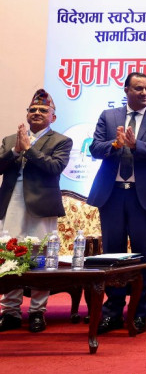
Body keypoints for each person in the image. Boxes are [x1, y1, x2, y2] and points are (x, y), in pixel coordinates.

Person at [87, 72, 146, 334]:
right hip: (112, 194)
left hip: (142, 196)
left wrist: (137, 146)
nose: (145, 93)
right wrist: (115, 144)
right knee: (112, 255)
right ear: (126, 90)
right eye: (139, 88)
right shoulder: (108, 116)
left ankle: (139, 313)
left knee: (141, 256)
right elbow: (94, 148)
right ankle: (113, 312)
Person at [0, 89, 72, 333]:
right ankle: (10, 312)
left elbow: (54, 167)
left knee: (41, 256)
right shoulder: (10, 139)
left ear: (53, 117)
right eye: (33, 109)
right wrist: (15, 151)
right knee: (9, 254)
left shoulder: (61, 141)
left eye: (43, 110)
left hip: (42, 205)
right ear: (27, 114)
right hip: (11, 202)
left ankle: (37, 312)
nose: (37, 113)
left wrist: (29, 149)